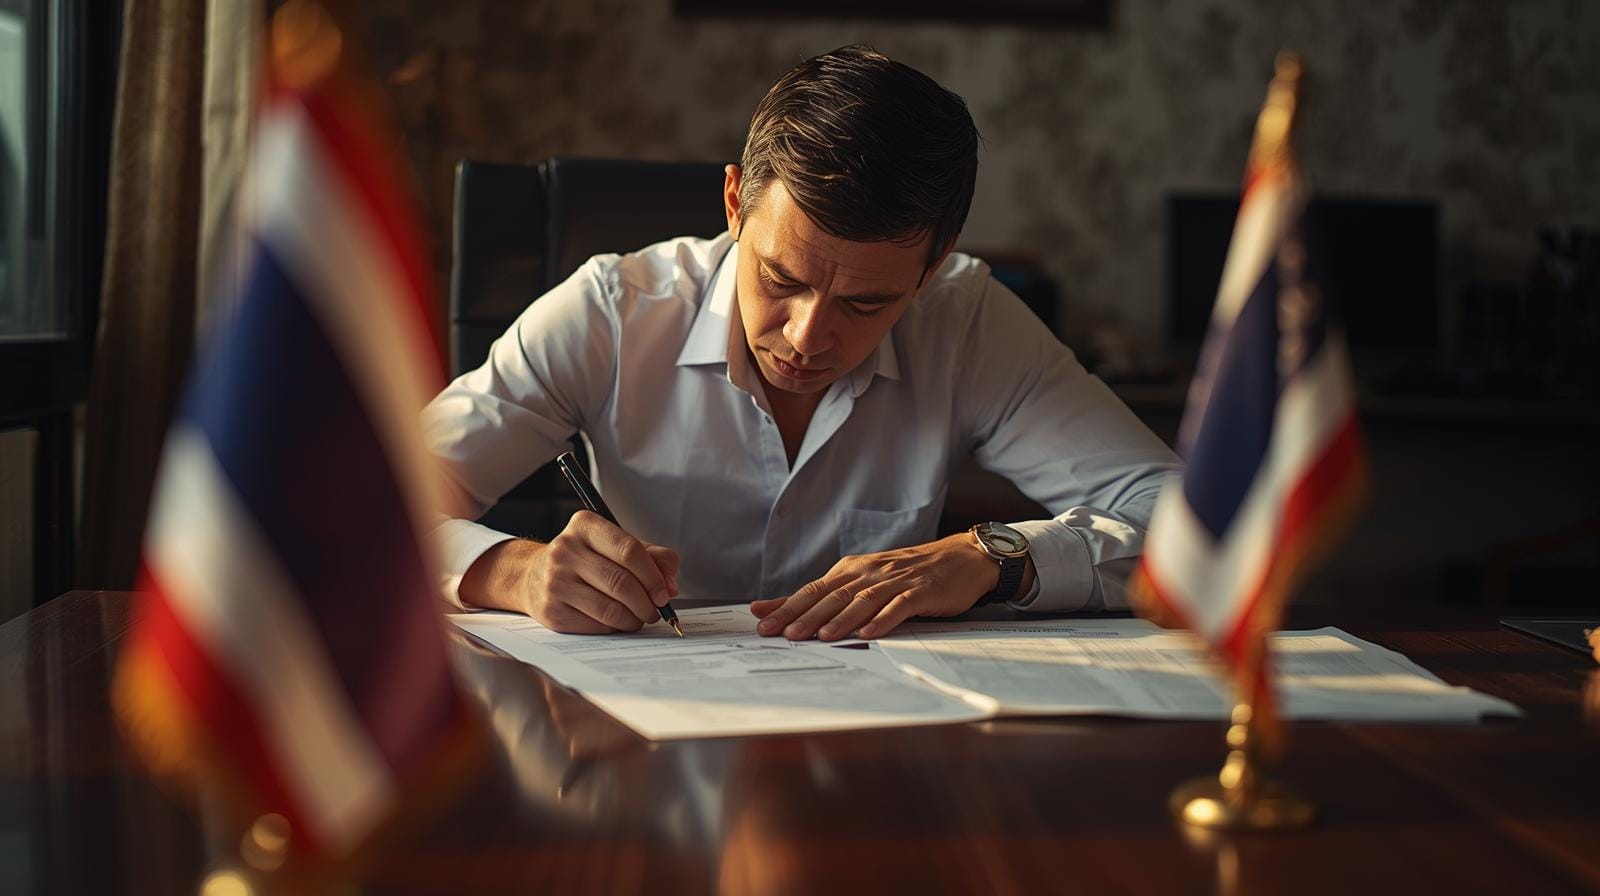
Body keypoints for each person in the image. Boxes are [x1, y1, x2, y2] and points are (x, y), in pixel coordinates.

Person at [424, 45, 1179, 641]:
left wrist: (991, 557)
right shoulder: (611, 312)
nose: (808, 337)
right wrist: (511, 571)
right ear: (733, 205)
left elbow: (1188, 522)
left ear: (933, 265)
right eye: (780, 278)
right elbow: (357, 512)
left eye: (867, 301)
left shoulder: (967, 319)